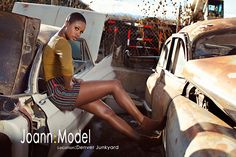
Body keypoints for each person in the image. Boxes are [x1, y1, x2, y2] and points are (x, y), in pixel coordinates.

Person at [43, 12, 162, 142]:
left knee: (106, 112)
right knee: (114, 85)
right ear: (67, 23)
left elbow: (55, 69)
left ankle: (140, 139)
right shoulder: (63, 43)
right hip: (61, 93)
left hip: (56, 90)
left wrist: (71, 80)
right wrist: (68, 85)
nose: (78, 34)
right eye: (76, 28)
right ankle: (143, 121)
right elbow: (67, 70)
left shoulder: (56, 40)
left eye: (81, 32)